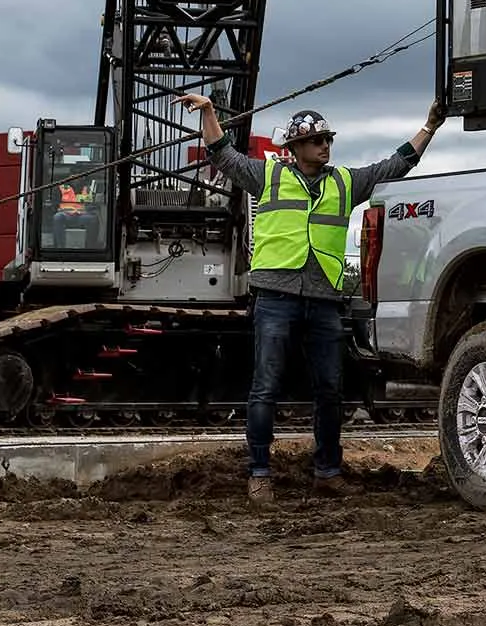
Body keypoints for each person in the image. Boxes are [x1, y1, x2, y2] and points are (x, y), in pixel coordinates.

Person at [175, 93, 444, 503]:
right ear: (296, 148)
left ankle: (327, 471)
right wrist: (210, 112)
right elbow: (222, 154)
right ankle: (260, 473)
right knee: (265, 388)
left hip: (323, 301)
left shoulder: (344, 182)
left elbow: (396, 164)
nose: (325, 146)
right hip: (275, 296)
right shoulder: (267, 176)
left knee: (329, 391)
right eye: (317, 140)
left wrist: (429, 127)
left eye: (327, 140)